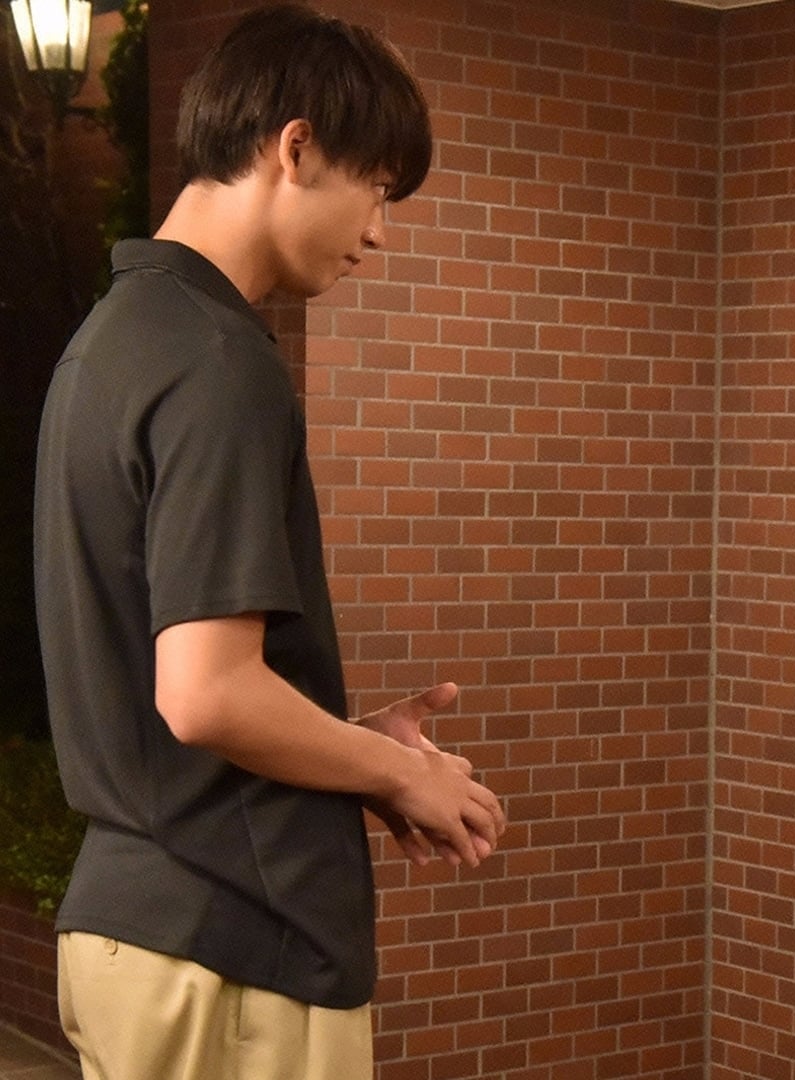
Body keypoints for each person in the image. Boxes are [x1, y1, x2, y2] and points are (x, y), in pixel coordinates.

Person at [32, 7, 506, 1080]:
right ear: (295, 148)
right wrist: (397, 772)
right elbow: (206, 695)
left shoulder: (110, 341)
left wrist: (344, 745)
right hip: (231, 948)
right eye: (375, 189)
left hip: (137, 927)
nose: (378, 232)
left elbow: (168, 685)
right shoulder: (220, 361)